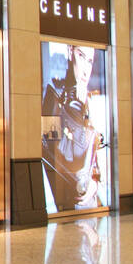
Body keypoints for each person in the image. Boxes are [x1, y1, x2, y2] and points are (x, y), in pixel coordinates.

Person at [42, 45, 102, 211]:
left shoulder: (88, 102)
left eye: (90, 61)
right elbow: (57, 153)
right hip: (68, 202)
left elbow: (95, 155)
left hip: (88, 199)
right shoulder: (52, 97)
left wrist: (95, 184)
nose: (85, 70)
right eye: (81, 56)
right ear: (70, 52)